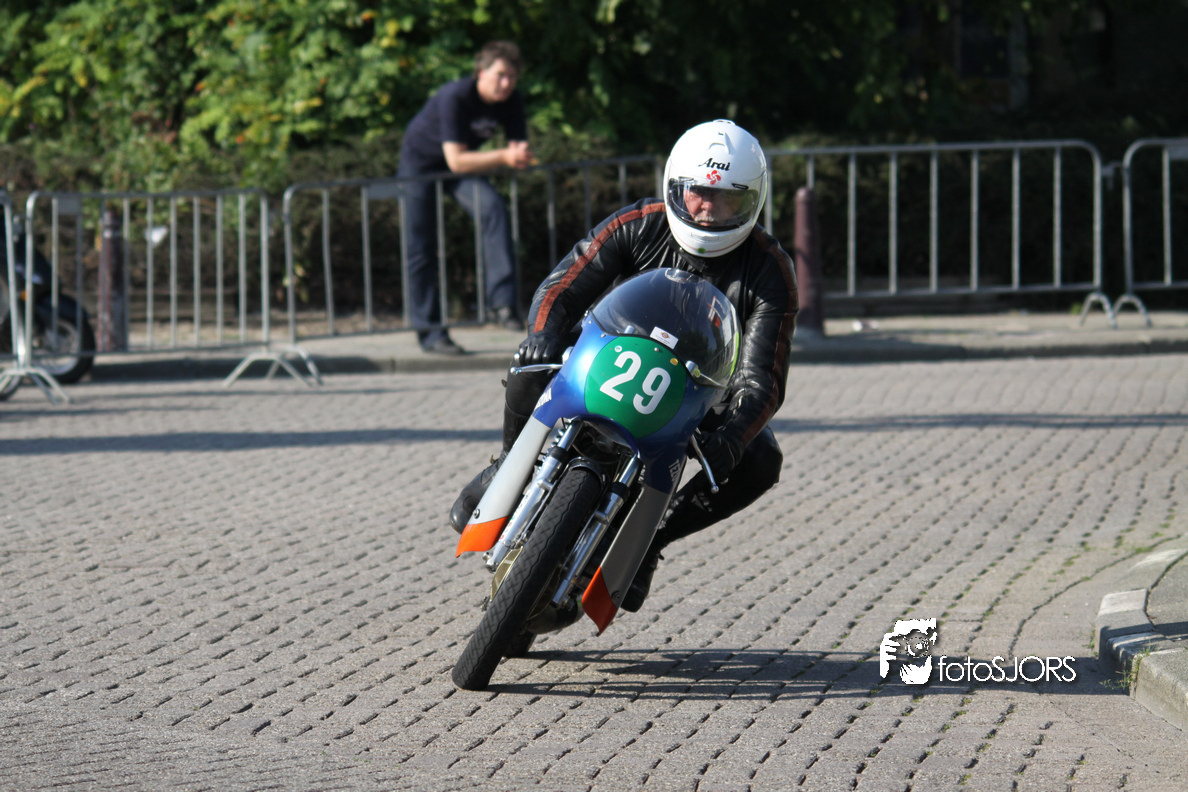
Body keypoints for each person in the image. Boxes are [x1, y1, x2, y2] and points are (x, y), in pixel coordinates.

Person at [449, 119, 799, 612]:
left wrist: (735, 435)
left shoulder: (770, 269)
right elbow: (561, 287)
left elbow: (762, 378)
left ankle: (651, 540)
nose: (706, 207)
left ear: (752, 202)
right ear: (675, 185)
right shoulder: (638, 221)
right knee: (532, 359)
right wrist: (544, 335)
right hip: (608, 352)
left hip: (698, 391)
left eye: (726, 199)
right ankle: (509, 466)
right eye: (698, 191)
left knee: (761, 461)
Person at [397, 41, 534, 355]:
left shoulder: (512, 99)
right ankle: (431, 333)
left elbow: (518, 149)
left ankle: (502, 305)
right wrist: (505, 156)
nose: (506, 83)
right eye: (500, 75)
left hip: (459, 168)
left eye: (513, 77)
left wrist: (521, 155)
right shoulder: (455, 96)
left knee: (493, 209)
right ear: (481, 73)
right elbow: (457, 160)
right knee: (421, 249)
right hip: (421, 166)